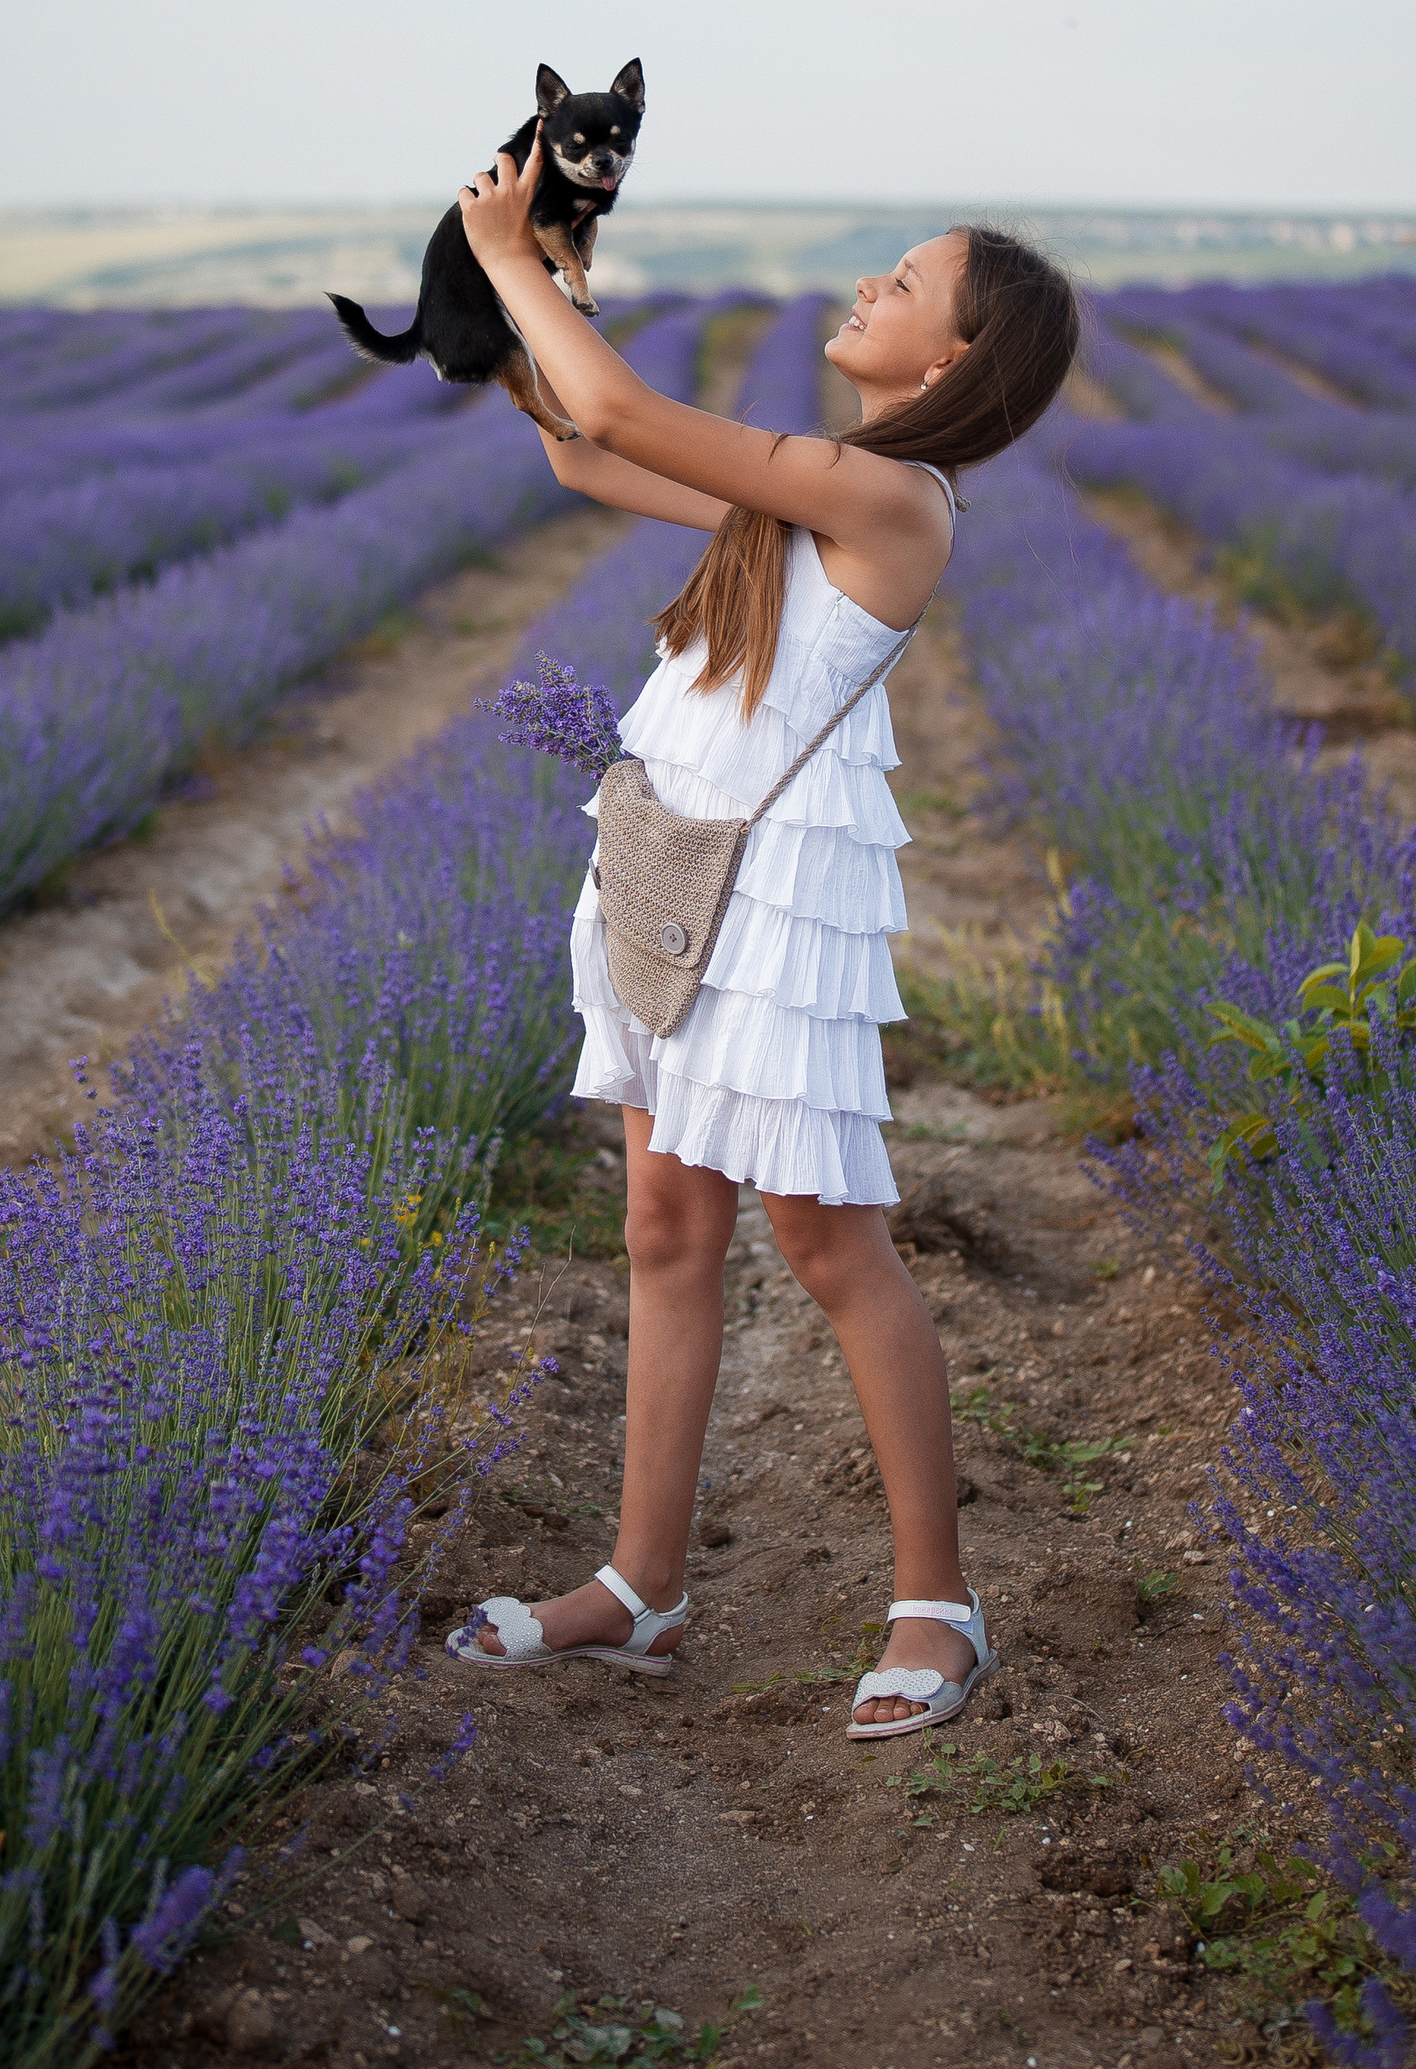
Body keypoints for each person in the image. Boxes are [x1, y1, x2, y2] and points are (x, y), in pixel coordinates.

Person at [447, 145, 1079, 1738]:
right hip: (667, 863)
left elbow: (629, 421)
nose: (870, 283)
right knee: (666, 1223)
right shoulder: (803, 488)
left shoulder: (890, 498)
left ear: (951, 360)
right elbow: (583, 460)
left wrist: (509, 258)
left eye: (907, 282)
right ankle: (641, 1589)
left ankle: (937, 1605)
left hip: (777, 904)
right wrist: (547, 282)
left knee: (827, 1243)